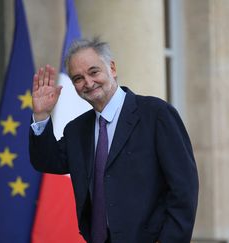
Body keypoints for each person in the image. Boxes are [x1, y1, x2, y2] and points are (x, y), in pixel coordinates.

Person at [29, 38, 198, 243]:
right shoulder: (77, 130)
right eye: (78, 78)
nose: (88, 83)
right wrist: (41, 116)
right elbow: (47, 160)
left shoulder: (156, 114)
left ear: (112, 68)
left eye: (93, 72)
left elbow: (184, 189)